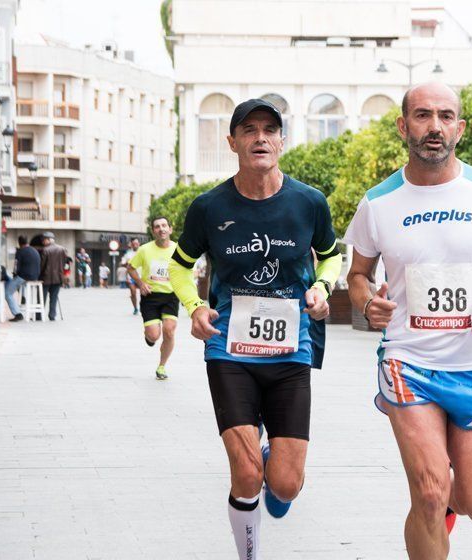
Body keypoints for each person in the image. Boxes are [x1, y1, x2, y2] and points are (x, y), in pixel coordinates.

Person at [344, 82, 472, 559]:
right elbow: (358, 276)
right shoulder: (378, 202)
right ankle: (432, 510)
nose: (435, 126)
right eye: (423, 115)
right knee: (428, 491)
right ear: (404, 126)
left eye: (446, 116)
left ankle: (444, 509)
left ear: (460, 129)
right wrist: (367, 305)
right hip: (408, 361)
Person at [168, 98, 341, 560]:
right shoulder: (208, 208)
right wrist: (195, 307)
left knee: (285, 484)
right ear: (233, 142)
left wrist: (323, 287)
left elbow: (331, 254)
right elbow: (181, 267)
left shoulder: (309, 203)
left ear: (282, 141)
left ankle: (274, 463)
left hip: (290, 353)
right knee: (245, 475)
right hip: (229, 350)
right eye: (249, 130)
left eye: (270, 130)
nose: (260, 137)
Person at [127, 217, 180, 381]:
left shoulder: (179, 249)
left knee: (169, 330)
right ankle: (149, 336)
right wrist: (141, 283)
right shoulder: (144, 250)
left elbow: (188, 270)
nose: (161, 229)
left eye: (164, 225)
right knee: (154, 336)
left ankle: (162, 366)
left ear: (170, 229)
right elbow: (130, 268)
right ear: (153, 231)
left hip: (171, 295)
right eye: (157, 227)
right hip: (150, 296)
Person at [5, 235, 41, 321]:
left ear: (19, 243)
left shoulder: (20, 251)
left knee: (7, 292)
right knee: (21, 283)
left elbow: (16, 266)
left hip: (24, 277)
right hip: (35, 277)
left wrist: (14, 275)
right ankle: (23, 297)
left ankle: (17, 314)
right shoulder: (35, 250)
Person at [39, 232, 70, 321]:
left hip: (46, 278)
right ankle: (52, 315)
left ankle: (39, 315)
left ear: (48, 240)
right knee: (54, 297)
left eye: (44, 240)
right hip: (58, 278)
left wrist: (39, 275)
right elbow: (66, 263)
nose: (43, 242)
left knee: (42, 297)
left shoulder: (45, 250)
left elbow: (42, 265)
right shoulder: (63, 249)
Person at [121, 239, 141, 314]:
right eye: (134, 244)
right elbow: (122, 263)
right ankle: (135, 308)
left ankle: (142, 306)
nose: (135, 245)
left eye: (136, 243)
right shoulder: (128, 254)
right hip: (131, 276)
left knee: (144, 293)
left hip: (142, 276)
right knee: (133, 292)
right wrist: (126, 263)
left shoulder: (143, 252)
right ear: (132, 245)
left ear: (139, 244)